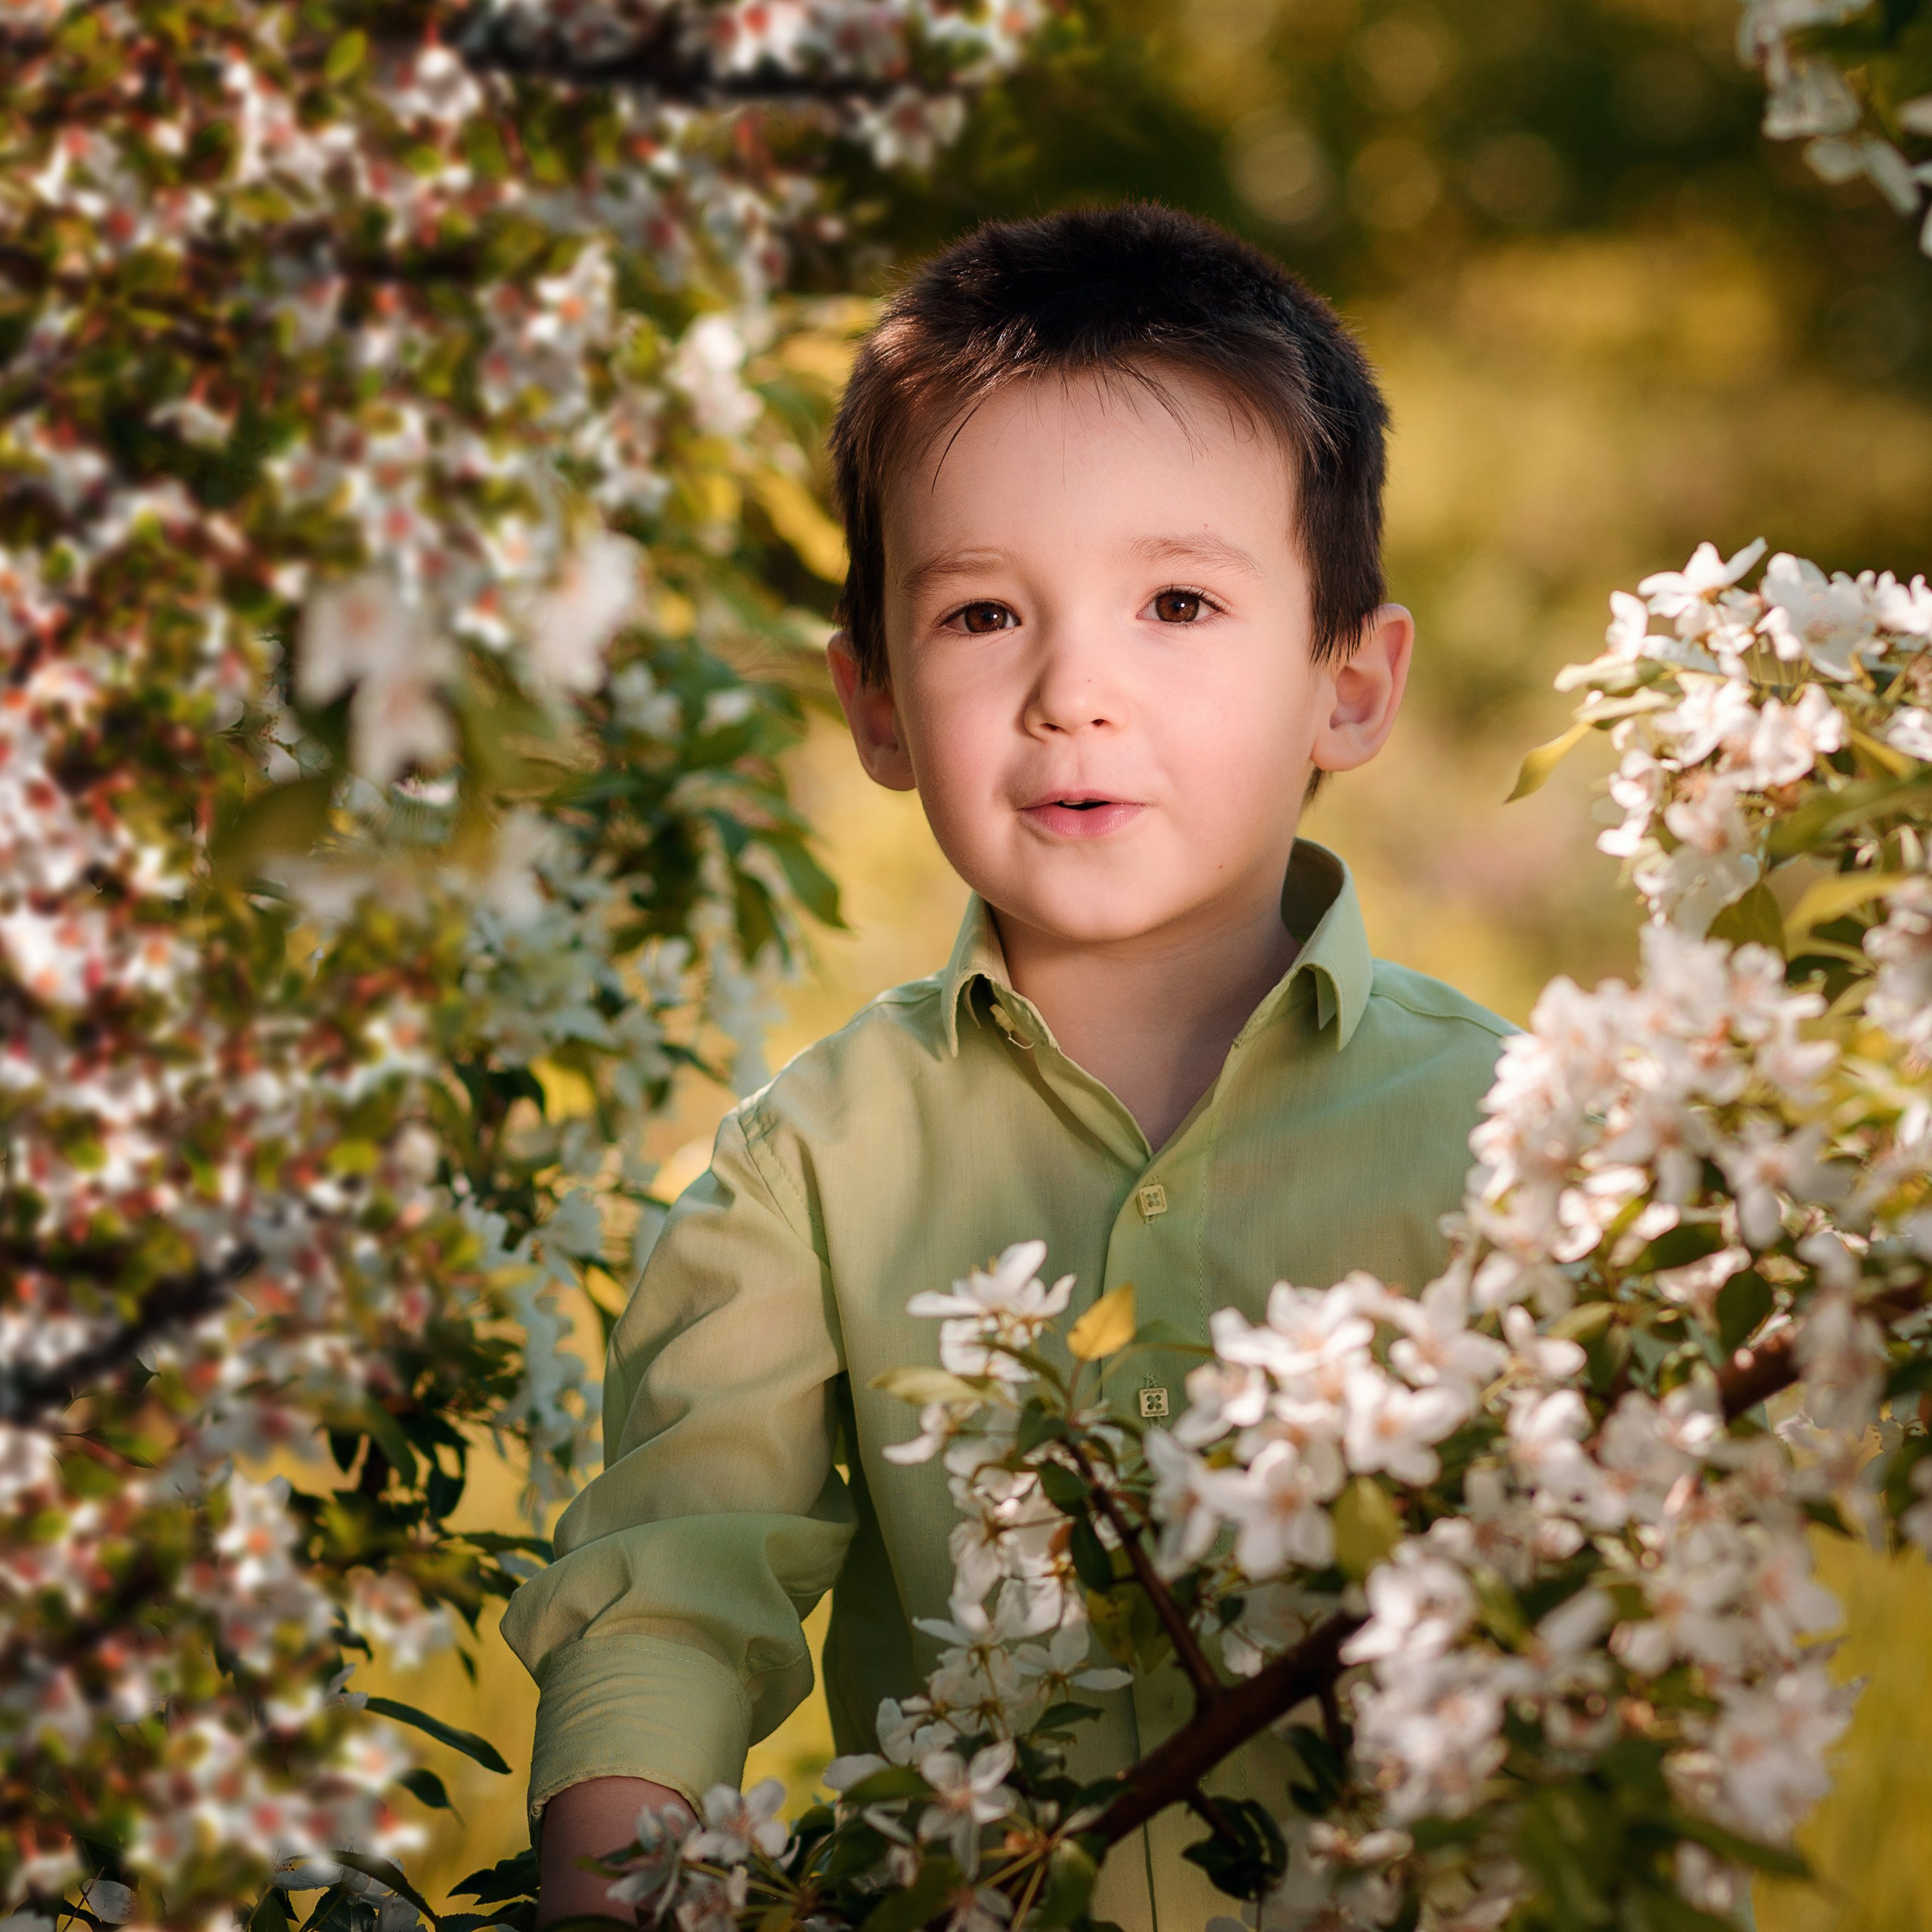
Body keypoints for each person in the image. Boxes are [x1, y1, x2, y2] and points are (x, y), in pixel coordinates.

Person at [504, 202, 1513, 1932]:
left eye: (1177, 600)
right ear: (878, 702)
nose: (1070, 692)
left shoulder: (1514, 1133)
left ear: (1347, 683)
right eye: (981, 615)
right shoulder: (806, 1163)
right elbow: (674, 1579)